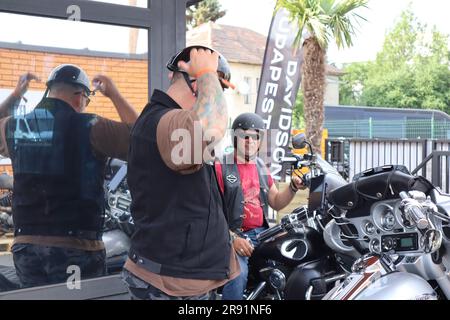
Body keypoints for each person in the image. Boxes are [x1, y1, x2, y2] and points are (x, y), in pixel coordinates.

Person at [0, 64, 138, 288]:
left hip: (27, 250)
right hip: (77, 249)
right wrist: (113, 93)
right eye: (86, 100)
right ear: (80, 96)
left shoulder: (15, 127)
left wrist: (16, 95)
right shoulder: (92, 126)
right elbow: (140, 137)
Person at [122, 45, 240, 300]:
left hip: (176, 278)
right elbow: (211, 127)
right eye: (218, 90)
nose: (221, 99)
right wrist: (209, 72)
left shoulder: (164, 120)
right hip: (170, 284)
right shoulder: (168, 122)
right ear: (198, 85)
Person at [215, 112, 305, 300]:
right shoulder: (221, 167)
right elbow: (213, 213)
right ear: (235, 139)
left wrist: (293, 187)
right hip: (235, 236)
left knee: (295, 255)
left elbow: (276, 202)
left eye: (254, 137)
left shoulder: (260, 166)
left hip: (263, 233)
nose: (249, 141)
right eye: (244, 136)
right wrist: (233, 238)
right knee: (237, 275)